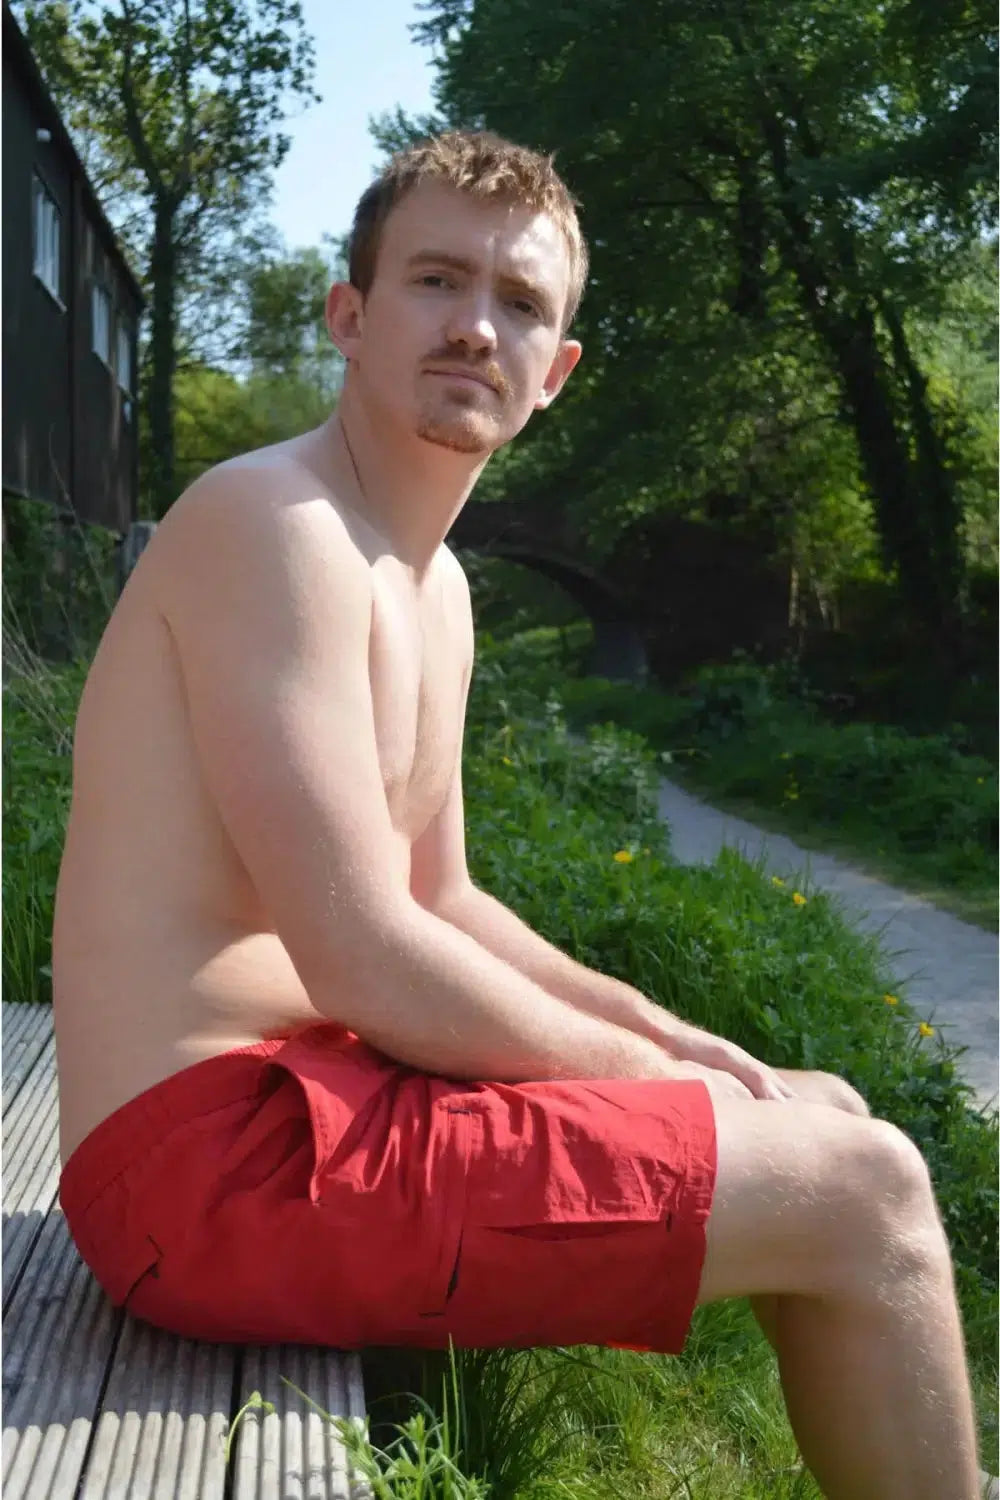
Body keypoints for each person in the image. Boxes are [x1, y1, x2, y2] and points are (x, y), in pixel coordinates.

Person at [53, 130, 982, 1500]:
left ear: (557, 372)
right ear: (350, 316)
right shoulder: (273, 525)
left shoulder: (436, 590)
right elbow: (365, 958)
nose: (477, 327)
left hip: (317, 1108)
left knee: (826, 1109)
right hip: (208, 1169)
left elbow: (441, 900)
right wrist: (655, 1080)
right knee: (871, 1187)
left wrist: (671, 1035)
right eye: (437, 280)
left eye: (521, 302)